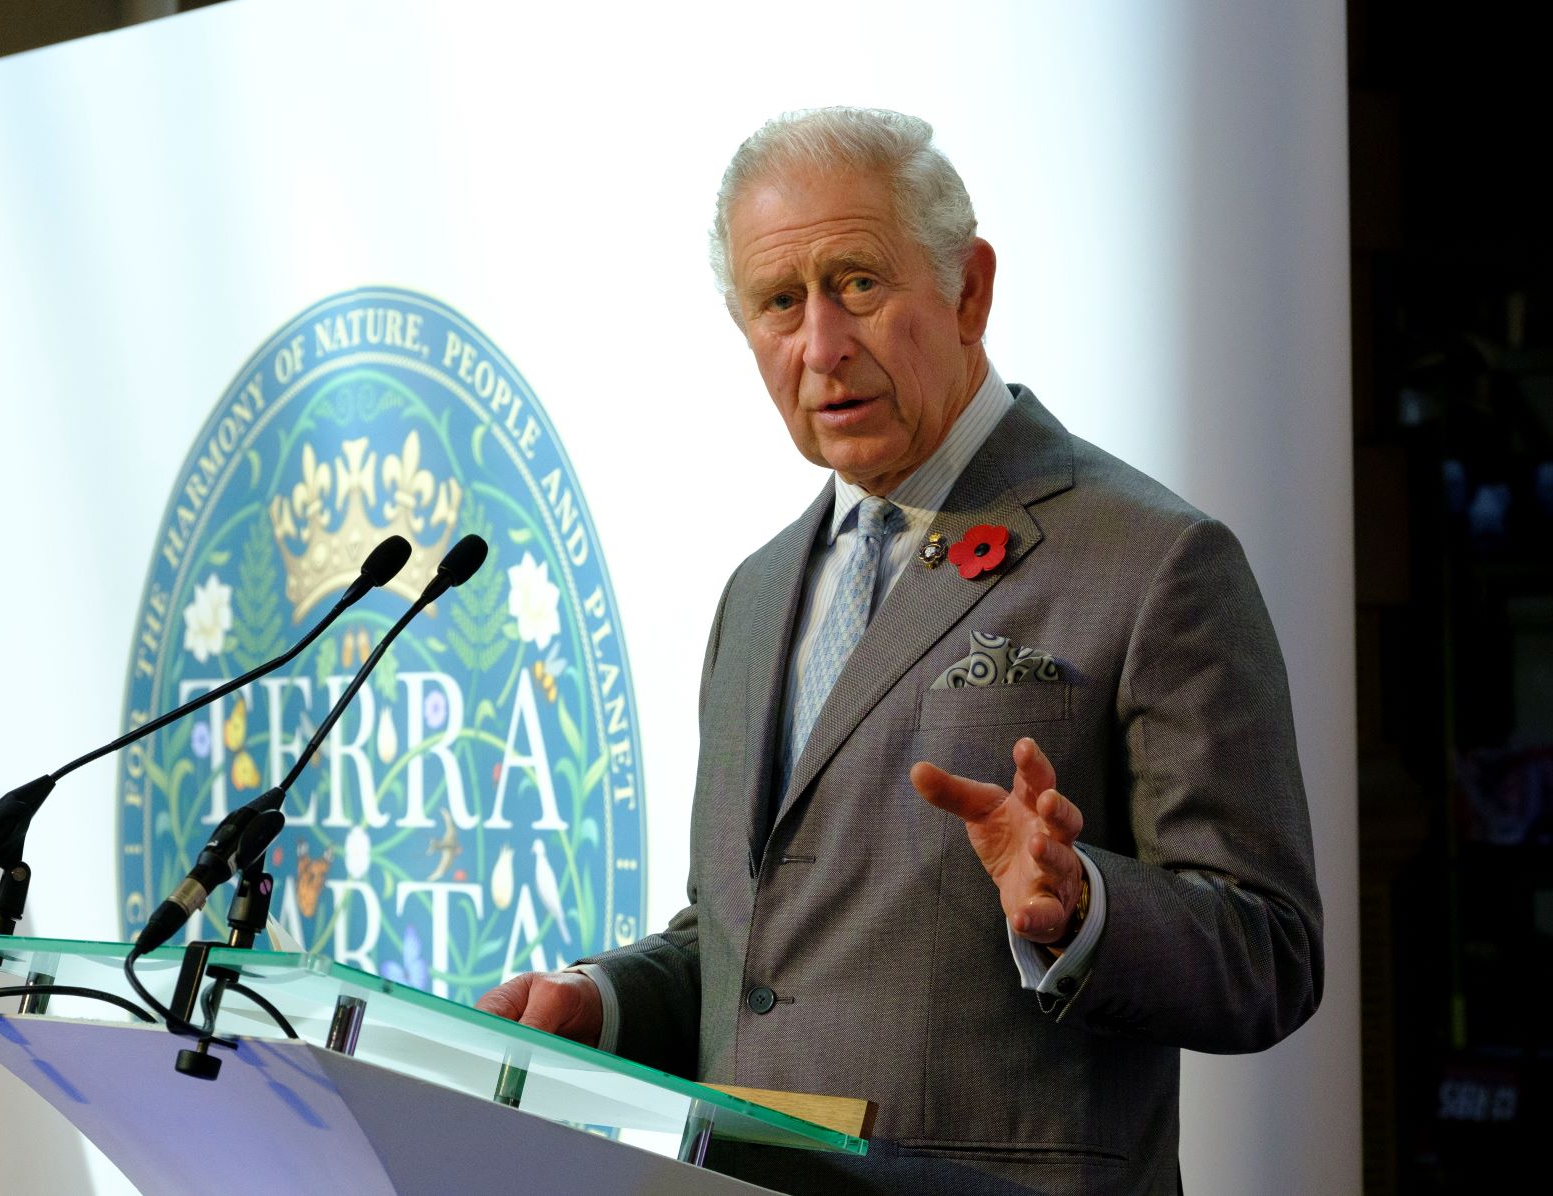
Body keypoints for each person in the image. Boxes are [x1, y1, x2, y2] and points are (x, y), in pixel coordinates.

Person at [479, 107, 1323, 1193]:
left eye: (858, 284)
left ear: (968, 290)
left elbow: (1271, 948)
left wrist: (1084, 906)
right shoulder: (757, 591)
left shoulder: (1156, 559)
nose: (821, 345)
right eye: (779, 303)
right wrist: (602, 1000)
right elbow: (754, 946)